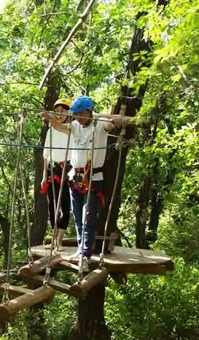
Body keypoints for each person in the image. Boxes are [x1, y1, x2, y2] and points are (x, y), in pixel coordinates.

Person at [41, 96, 126, 272]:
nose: (79, 117)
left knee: (88, 218)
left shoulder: (100, 124)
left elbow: (111, 125)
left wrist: (116, 120)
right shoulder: (74, 126)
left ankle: (85, 255)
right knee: (78, 218)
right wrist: (50, 118)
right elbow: (59, 127)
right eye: (76, 114)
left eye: (81, 114)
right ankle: (80, 250)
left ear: (89, 112)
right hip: (76, 177)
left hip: (93, 178)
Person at [41, 99, 72, 252]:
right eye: (57, 112)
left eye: (63, 111)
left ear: (68, 113)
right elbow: (46, 155)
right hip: (53, 169)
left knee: (66, 206)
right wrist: (43, 176)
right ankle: (54, 239)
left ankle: (60, 239)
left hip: (68, 169)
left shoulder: (72, 129)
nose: (59, 115)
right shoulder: (51, 131)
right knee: (53, 206)